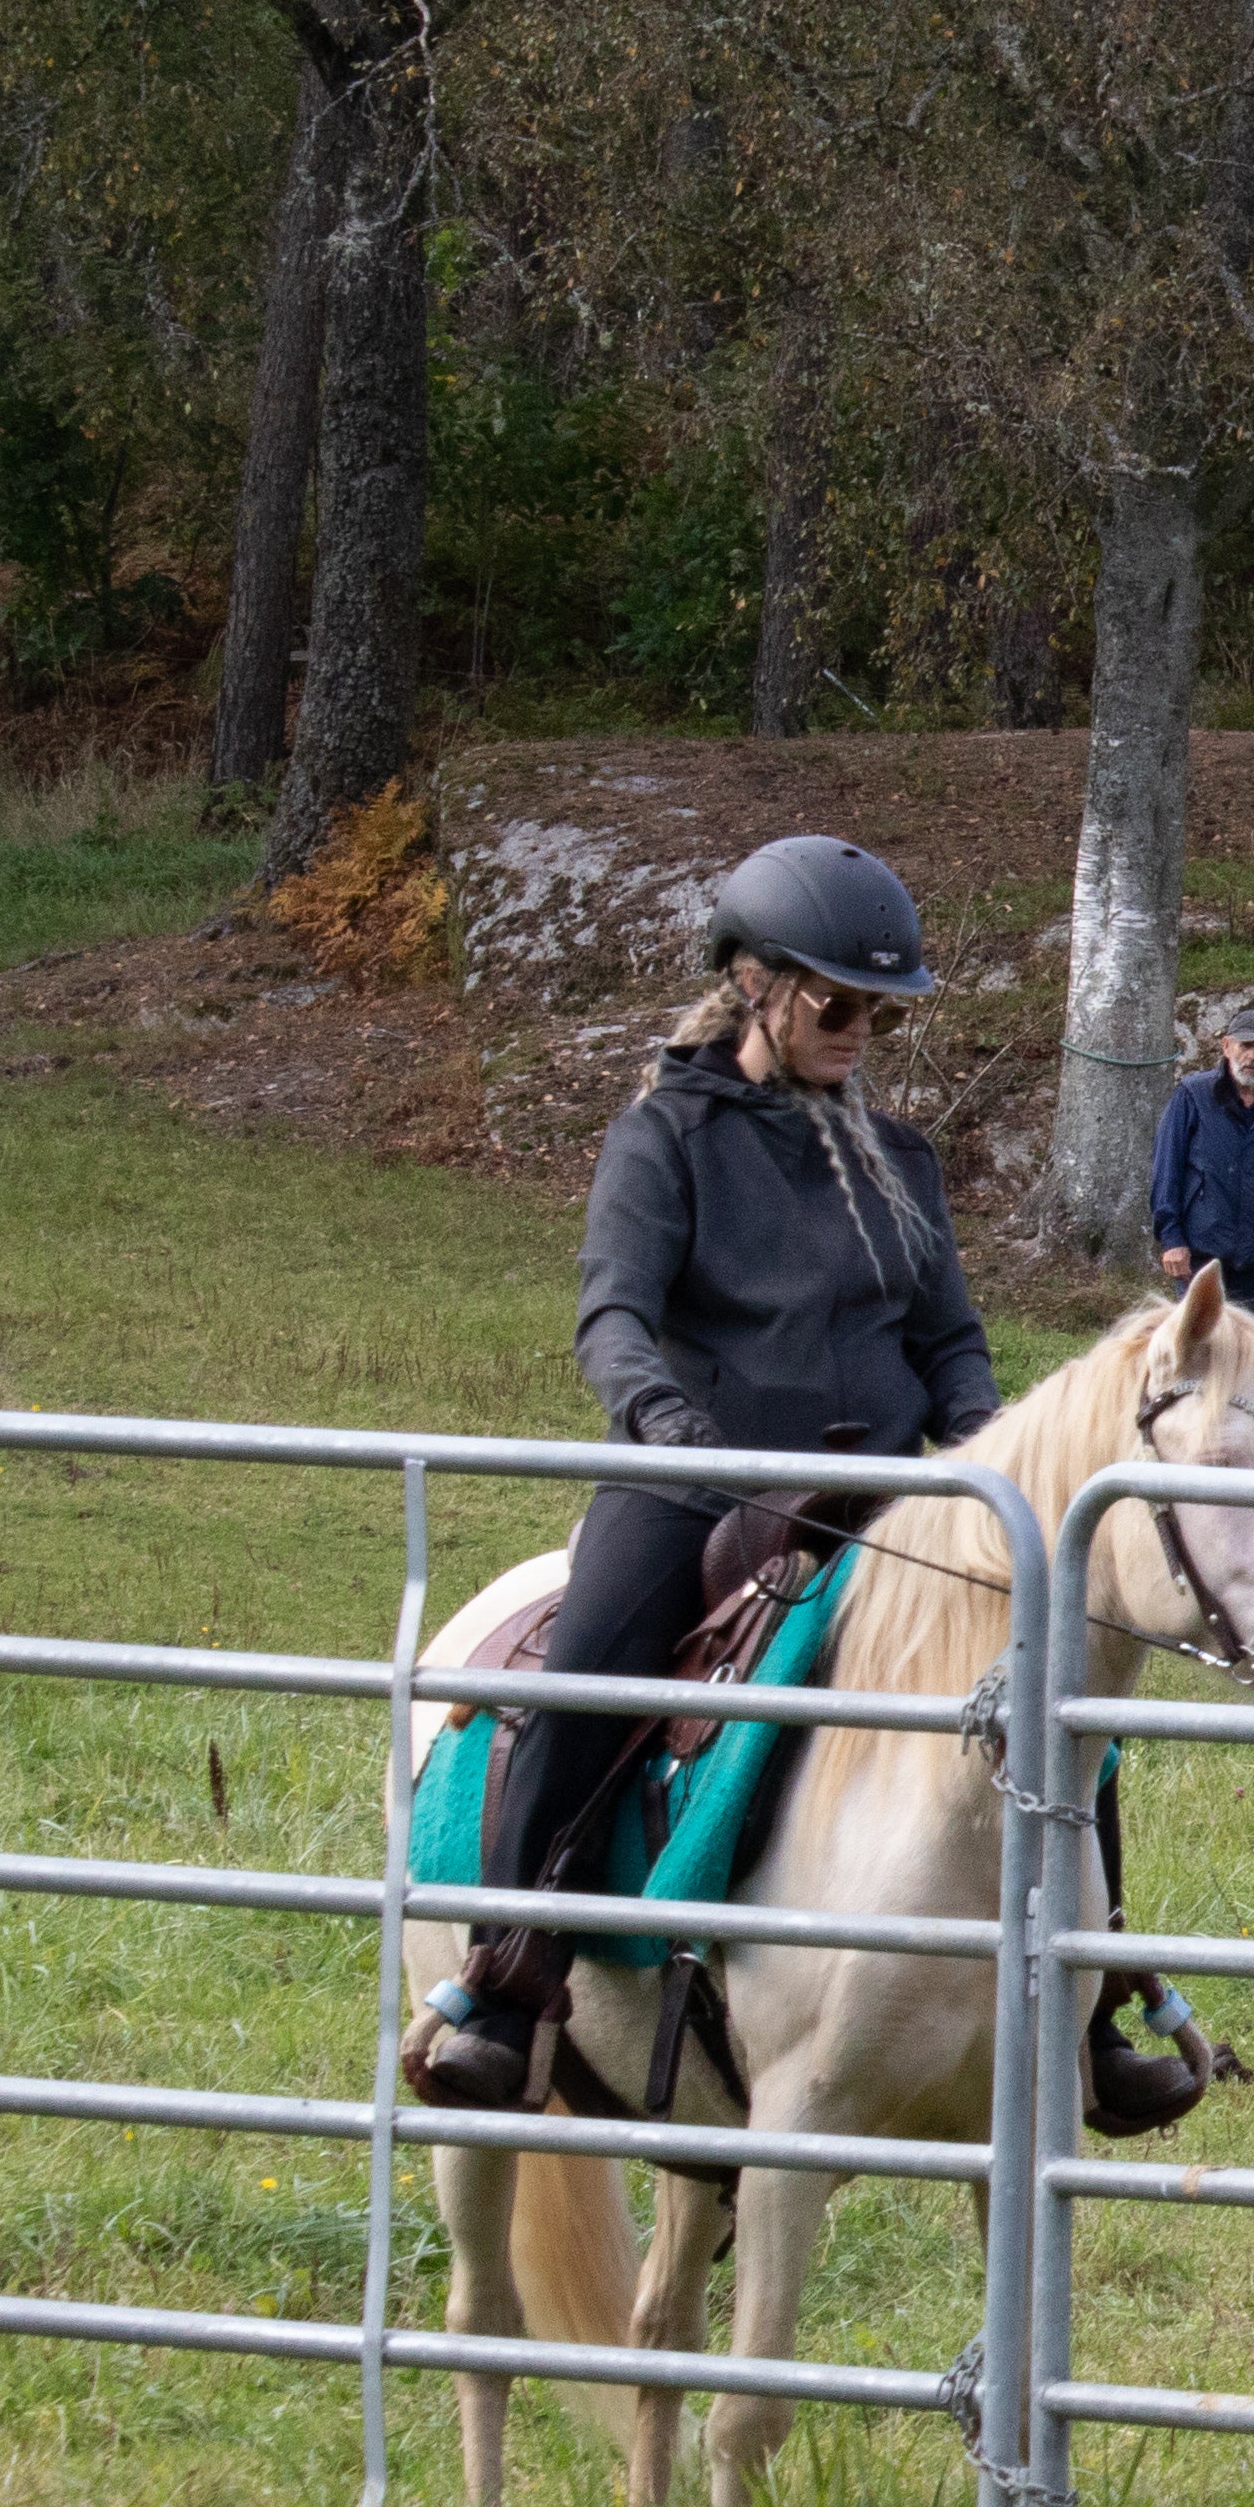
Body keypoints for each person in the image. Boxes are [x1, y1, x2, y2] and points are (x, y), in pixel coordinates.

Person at [405, 836, 992, 2111]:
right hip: (699, 1483)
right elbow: (612, 1316)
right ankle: (510, 1975)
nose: (859, 1032)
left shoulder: (900, 1160)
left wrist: (981, 1443)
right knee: (588, 1671)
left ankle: (1107, 1986)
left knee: (1039, 1664)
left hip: (884, 1496)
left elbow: (947, 1338)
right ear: (754, 983)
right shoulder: (661, 1137)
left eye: (881, 1013)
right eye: (836, 1004)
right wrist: (666, 1421)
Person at [1148, 999, 1254, 1308]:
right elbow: (1166, 1169)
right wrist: (1172, 1238)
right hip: (1201, 1255)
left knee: (1249, 1339)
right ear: (1226, 1047)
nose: (1252, 1056)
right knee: (1201, 1338)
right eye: (1245, 1046)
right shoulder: (1193, 1095)